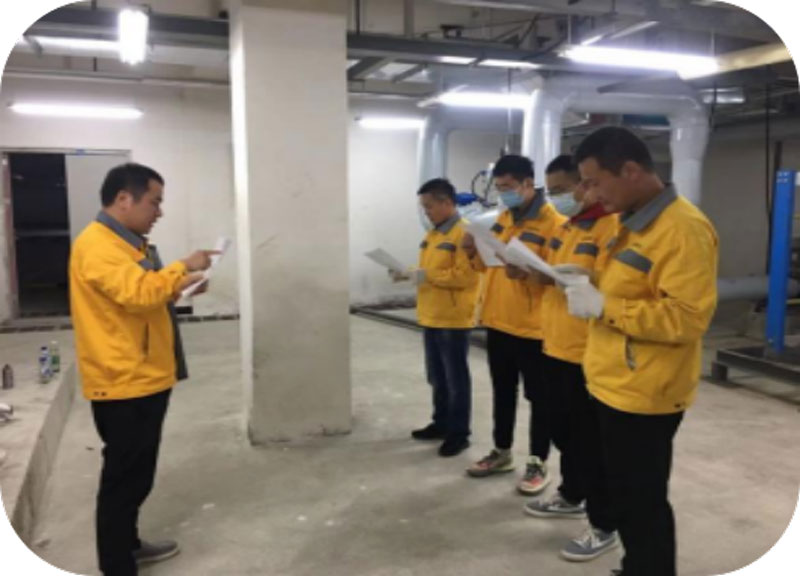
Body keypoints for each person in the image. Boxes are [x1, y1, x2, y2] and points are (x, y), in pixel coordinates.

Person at [564, 127, 718, 576]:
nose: (589, 194)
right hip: (613, 380)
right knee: (624, 492)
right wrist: (588, 281)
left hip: (647, 390)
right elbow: (632, 286)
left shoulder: (683, 229)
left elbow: (687, 318)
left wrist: (605, 306)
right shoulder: (629, 220)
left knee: (641, 500)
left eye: (594, 182)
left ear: (630, 170)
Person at [69, 163, 217, 576]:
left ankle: (129, 544)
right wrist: (182, 268)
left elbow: (141, 296)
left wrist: (181, 286)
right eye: (154, 202)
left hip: (143, 374)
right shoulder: (97, 245)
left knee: (137, 474)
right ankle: (117, 565)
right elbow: (136, 293)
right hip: (122, 380)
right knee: (123, 479)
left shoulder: (128, 244)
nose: (159, 212)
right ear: (123, 199)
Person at [521, 155, 620, 563]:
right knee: (565, 433)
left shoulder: (611, 227)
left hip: (586, 350)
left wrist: (577, 279)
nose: (564, 196)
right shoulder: (568, 227)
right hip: (554, 344)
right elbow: (555, 276)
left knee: (591, 442)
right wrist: (538, 273)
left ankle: (604, 524)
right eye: (555, 191)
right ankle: (572, 493)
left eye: (566, 188)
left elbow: (611, 286)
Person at [462, 155, 564, 495]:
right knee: (502, 392)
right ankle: (502, 451)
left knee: (541, 399)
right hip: (498, 321)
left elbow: (557, 277)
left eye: (508, 187)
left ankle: (538, 461)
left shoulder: (555, 224)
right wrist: (472, 251)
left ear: (527, 184)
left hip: (534, 328)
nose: (503, 193)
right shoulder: (502, 218)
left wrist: (529, 274)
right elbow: (487, 267)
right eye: (499, 187)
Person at [392, 178, 481, 457]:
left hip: (453, 318)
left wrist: (425, 276)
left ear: (447, 202)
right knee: (437, 377)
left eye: (429, 206)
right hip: (431, 314)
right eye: (424, 207)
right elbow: (430, 270)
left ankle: (459, 433)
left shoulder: (464, 234)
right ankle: (441, 423)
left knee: (456, 379)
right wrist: (407, 273)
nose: (426, 212)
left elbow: (466, 277)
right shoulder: (433, 234)